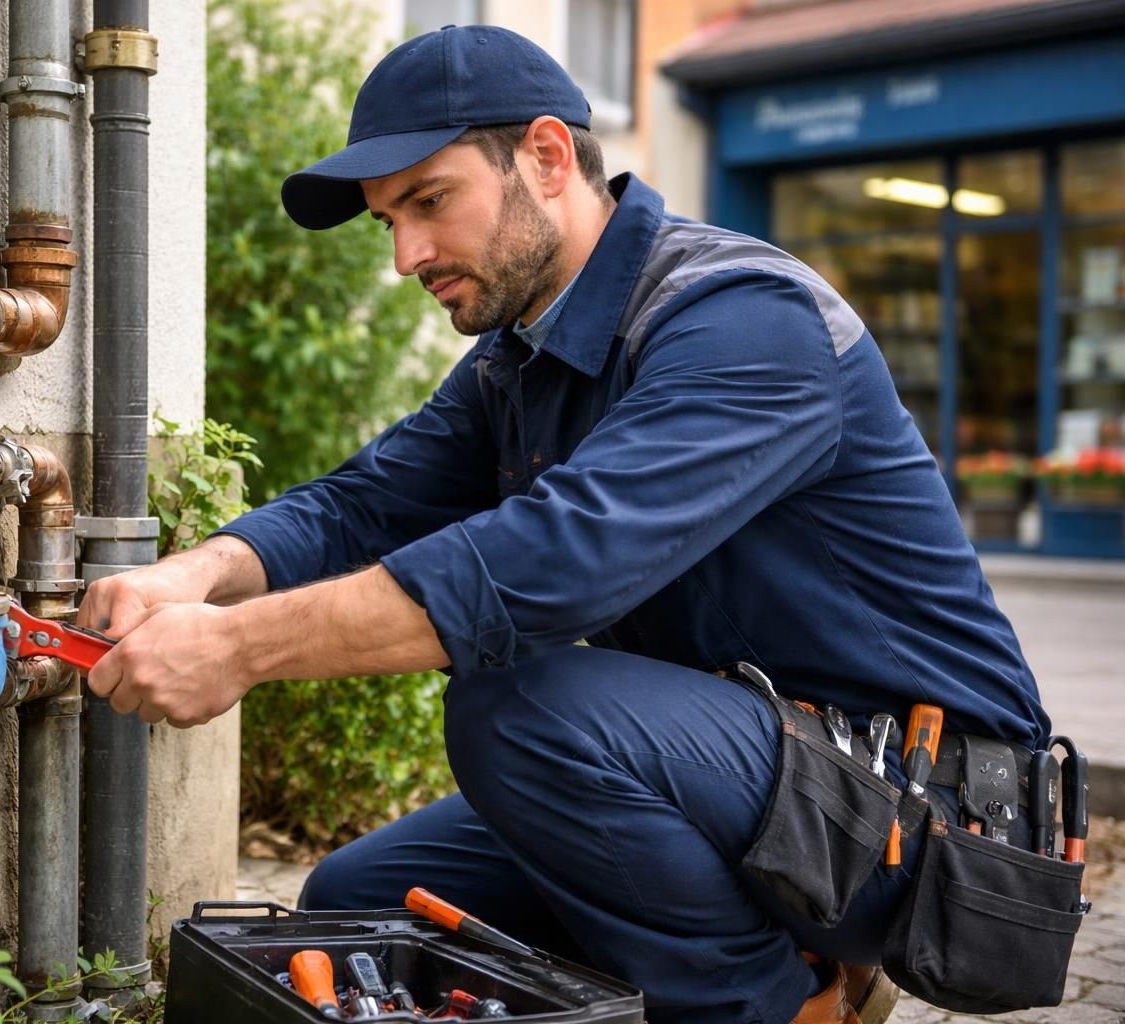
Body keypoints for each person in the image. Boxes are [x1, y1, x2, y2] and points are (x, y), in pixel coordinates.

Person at [78, 25, 1051, 1024]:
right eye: (387, 222)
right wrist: (191, 576)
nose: (407, 255)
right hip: (771, 785)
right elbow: (364, 501)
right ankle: (740, 967)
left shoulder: (745, 319)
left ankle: (780, 1003)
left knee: (517, 703)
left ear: (546, 157)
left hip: (936, 828)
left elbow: (552, 562)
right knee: (356, 905)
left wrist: (238, 647)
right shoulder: (525, 354)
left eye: (429, 200)